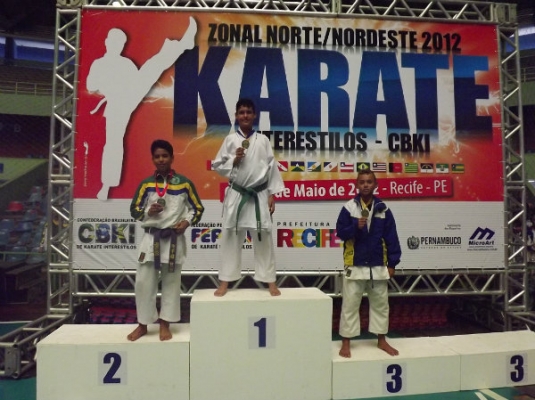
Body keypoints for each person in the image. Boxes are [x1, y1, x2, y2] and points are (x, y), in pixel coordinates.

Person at [86, 17, 197, 201]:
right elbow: (91, 86)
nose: (117, 46)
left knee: (151, 68)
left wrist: (123, 86)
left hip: (129, 95)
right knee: (113, 141)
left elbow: (137, 80)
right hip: (116, 104)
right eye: (114, 42)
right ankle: (106, 185)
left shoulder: (126, 63)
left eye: (121, 43)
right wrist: (110, 87)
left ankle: (183, 45)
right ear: (107, 42)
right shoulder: (99, 64)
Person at [127, 139, 204, 341]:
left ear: (172, 158)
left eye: (165, 156)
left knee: (171, 283)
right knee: (143, 283)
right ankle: (143, 325)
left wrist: (186, 222)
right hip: (151, 238)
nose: (161, 159)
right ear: (152, 159)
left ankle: (165, 324)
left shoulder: (184, 183)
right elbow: (134, 210)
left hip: (173, 239)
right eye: (157, 156)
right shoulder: (146, 184)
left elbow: (197, 208)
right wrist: (148, 211)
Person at [212, 98, 285, 297]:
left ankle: (270, 281)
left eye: (248, 112)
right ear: (236, 116)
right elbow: (217, 165)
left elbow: (271, 167)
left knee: (264, 237)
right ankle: (225, 281)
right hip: (237, 194)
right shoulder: (230, 140)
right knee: (230, 238)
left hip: (259, 194)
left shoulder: (263, 140)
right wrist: (233, 160)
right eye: (241, 112)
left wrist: (271, 194)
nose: (245, 115)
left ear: (254, 115)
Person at [336, 169, 401, 357]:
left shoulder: (383, 209)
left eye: (369, 182)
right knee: (350, 305)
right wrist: (355, 227)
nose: (365, 185)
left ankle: (381, 340)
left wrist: (392, 263)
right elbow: (340, 233)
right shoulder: (349, 208)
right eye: (362, 182)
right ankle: (346, 342)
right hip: (355, 264)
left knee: (381, 304)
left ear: (375, 184)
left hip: (378, 265)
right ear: (357, 185)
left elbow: (392, 237)